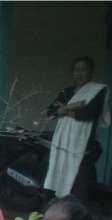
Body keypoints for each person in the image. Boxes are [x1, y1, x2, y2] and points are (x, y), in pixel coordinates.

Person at [44, 56, 111, 201]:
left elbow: (89, 112)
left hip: (83, 146)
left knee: (78, 184)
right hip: (62, 142)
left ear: (91, 72)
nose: (79, 73)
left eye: (83, 70)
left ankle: (75, 217)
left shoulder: (97, 91)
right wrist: (75, 106)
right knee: (57, 177)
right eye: (76, 70)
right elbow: (50, 112)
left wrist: (65, 109)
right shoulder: (66, 92)